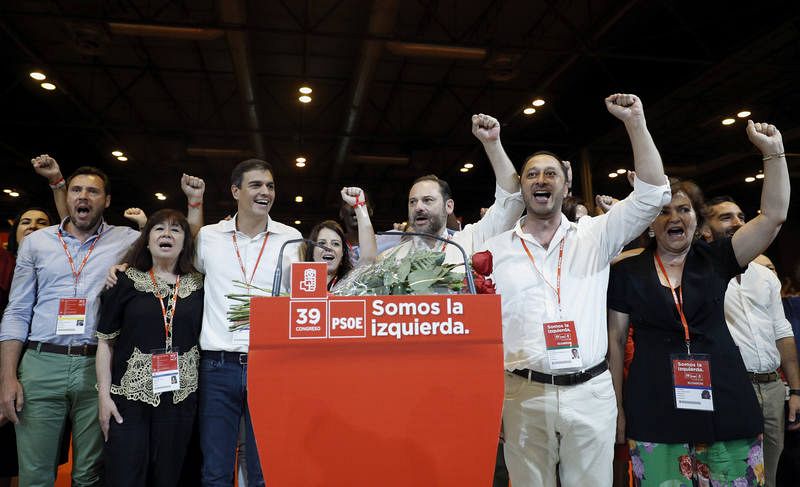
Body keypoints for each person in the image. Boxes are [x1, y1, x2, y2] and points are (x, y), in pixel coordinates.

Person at [481, 93, 670, 486]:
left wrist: (635, 122)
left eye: (551, 174)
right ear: (522, 188)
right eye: (532, 174)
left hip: (590, 393)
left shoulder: (595, 235)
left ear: (566, 187)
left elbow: (652, 193)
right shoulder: (493, 251)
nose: (541, 180)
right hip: (523, 394)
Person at [607, 120, 790, 486]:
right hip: (655, 410)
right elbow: (614, 342)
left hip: (727, 404)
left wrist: (774, 154)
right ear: (650, 223)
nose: (674, 217)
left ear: (697, 219)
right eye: (663, 211)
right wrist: (618, 410)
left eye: (684, 209)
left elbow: (773, 217)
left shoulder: (718, 258)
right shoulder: (627, 272)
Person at [0, 166, 140, 486]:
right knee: (35, 475)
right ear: (67, 197)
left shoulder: (127, 240)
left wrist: (190, 206)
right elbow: (17, 310)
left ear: (106, 200)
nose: (83, 196)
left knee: (89, 475)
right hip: (41, 363)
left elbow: (177, 242)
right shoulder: (37, 243)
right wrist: (7, 377)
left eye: (93, 191)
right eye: (76, 190)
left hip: (97, 366)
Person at [194, 158, 302, 486]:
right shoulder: (209, 237)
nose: (265, 192)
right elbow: (181, 273)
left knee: (263, 470)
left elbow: (300, 298)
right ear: (235, 191)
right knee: (215, 471)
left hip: (270, 365)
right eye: (256, 185)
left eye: (270, 186)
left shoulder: (291, 238)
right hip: (218, 365)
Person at [96, 209, 204, 487]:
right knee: (125, 474)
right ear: (146, 240)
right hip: (129, 399)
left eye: (175, 230)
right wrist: (104, 397)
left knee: (171, 476)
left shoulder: (200, 285)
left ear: (185, 242)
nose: (167, 234)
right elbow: (105, 343)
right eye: (159, 229)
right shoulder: (124, 280)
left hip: (181, 400)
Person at [701, 196, 800, 487]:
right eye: (726, 217)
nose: (738, 223)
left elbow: (782, 331)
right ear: (705, 230)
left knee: (771, 474)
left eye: (741, 216)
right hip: (731, 388)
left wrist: (796, 390)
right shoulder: (698, 272)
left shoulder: (766, 277)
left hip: (772, 387)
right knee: (732, 473)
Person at [379, 113, 523, 265]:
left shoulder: (468, 241)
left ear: (449, 206)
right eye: (412, 202)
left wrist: (492, 144)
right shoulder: (390, 259)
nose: (418, 207)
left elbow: (512, 201)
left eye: (428, 200)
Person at [0, 207, 54, 487]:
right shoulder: (3, 263)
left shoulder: (53, 268)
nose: (33, 226)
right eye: (26, 222)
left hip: (38, 368)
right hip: (6, 361)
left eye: (42, 222)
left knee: (25, 458)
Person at [305, 187, 377, 290]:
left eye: (335, 244)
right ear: (312, 251)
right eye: (322, 243)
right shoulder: (298, 282)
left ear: (343, 253)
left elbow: (368, 258)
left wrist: (359, 205)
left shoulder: (350, 283)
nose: (328, 248)